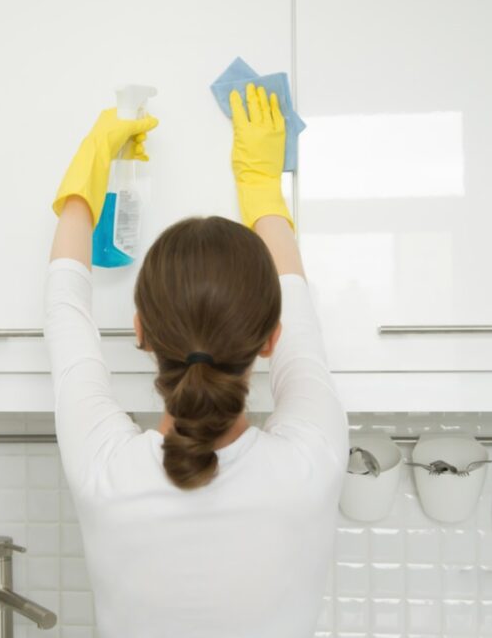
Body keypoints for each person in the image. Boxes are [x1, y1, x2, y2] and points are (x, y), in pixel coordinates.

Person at [44, 83, 347, 637]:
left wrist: (92, 163)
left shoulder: (104, 471)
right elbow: (298, 312)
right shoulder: (314, 461)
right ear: (270, 339)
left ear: (139, 332)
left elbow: (65, 305)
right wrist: (261, 188)